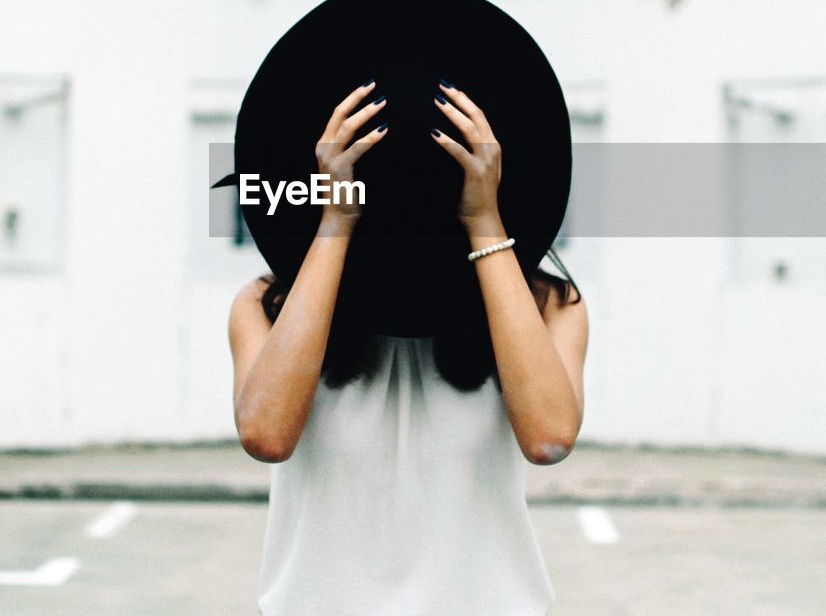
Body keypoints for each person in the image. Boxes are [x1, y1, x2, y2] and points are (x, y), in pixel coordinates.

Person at [228, 72, 589, 616]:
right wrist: (338, 216)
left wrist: (483, 219)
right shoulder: (265, 305)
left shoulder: (549, 305)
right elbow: (267, 434)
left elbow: (549, 439)